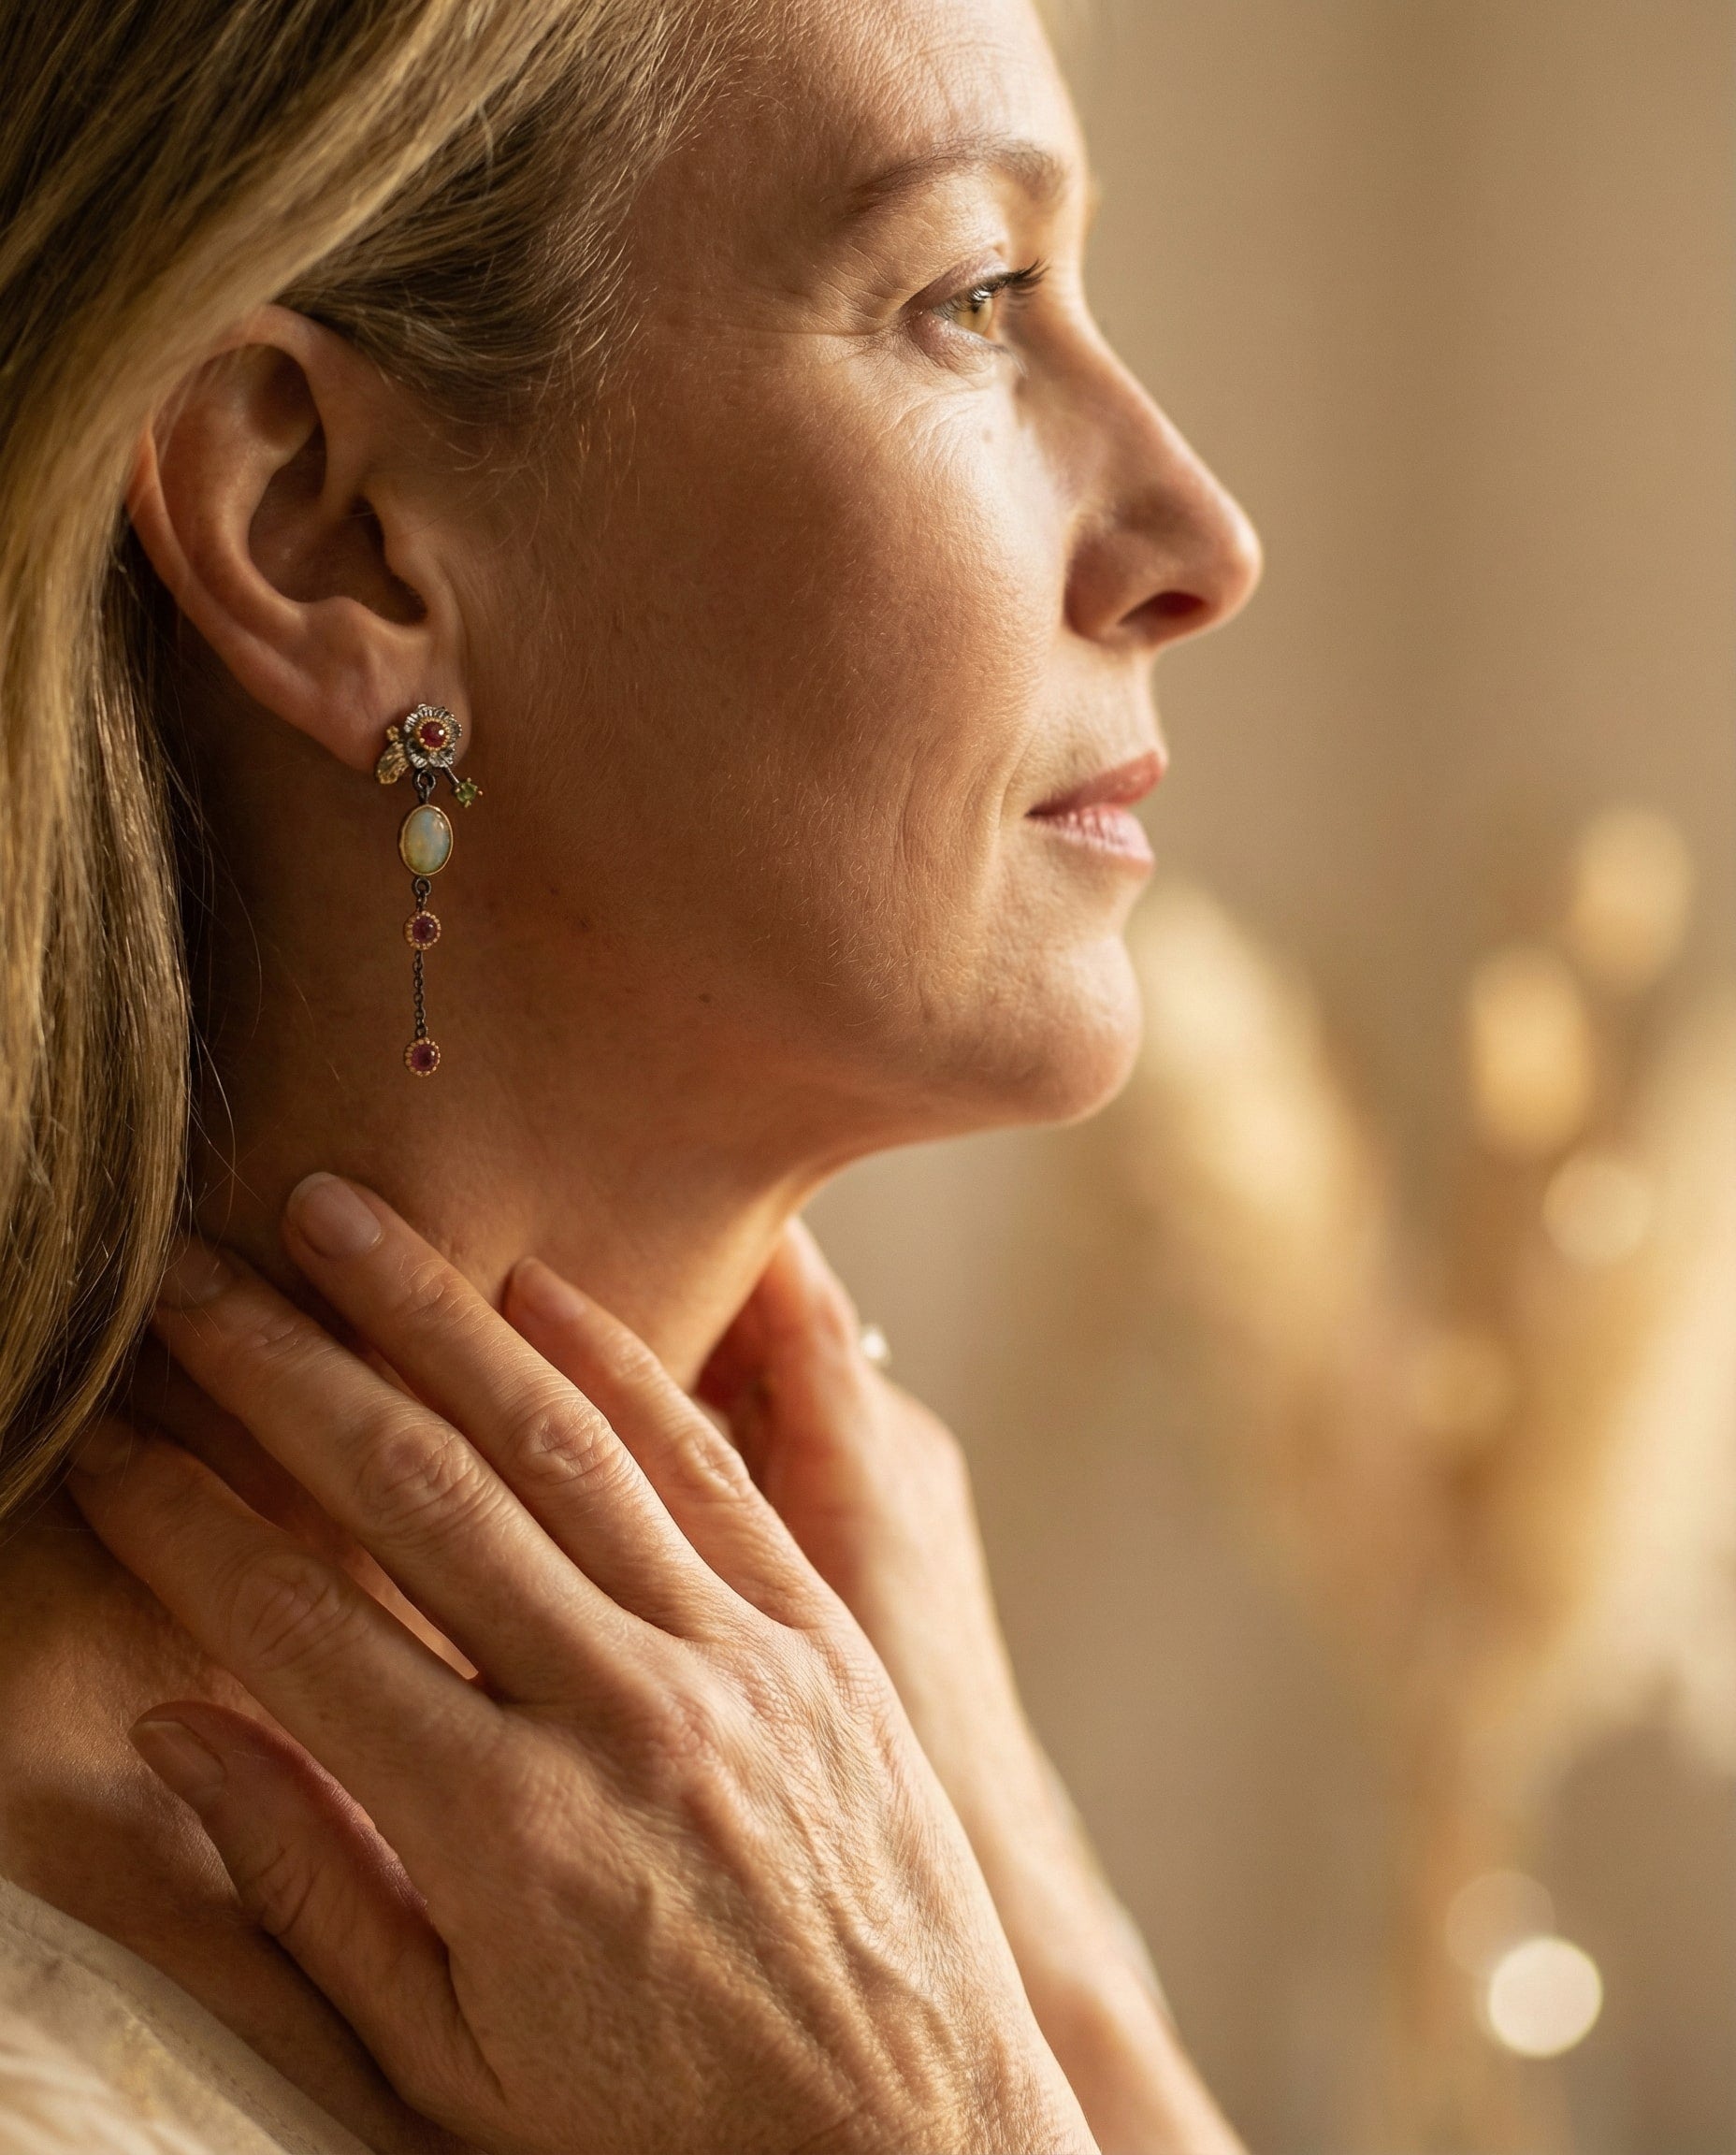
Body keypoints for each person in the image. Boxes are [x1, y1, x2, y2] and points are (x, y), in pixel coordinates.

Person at [0, 0, 1260, 2148]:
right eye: (971, 296)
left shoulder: (857, 1864)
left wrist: (1055, 1994)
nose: (1197, 538)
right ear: (328, 531)